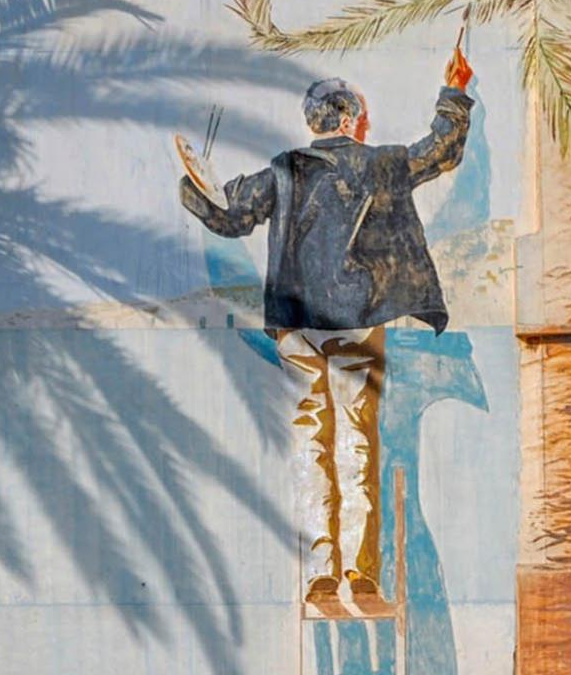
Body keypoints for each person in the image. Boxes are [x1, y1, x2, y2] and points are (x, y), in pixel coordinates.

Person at [180, 49, 474, 603]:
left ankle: (320, 569)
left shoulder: (284, 169)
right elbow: (440, 152)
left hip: (297, 329)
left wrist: (195, 185)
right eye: (359, 115)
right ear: (348, 118)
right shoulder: (379, 164)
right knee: (358, 444)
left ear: (315, 124)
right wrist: (453, 92)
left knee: (311, 444)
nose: (364, 123)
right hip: (358, 322)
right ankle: (360, 574)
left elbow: (229, 216)